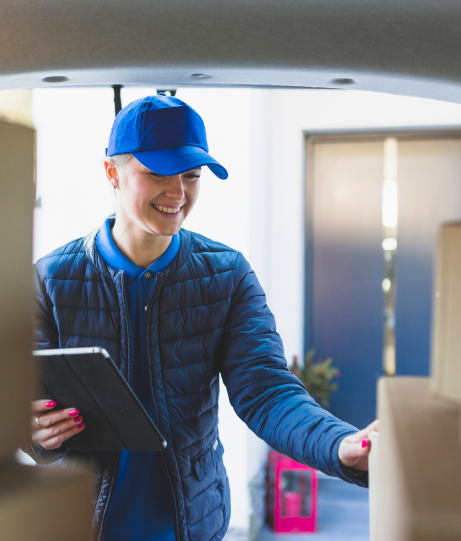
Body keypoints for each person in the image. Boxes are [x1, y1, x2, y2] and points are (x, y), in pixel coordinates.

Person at [25, 95, 379, 541]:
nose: (178, 193)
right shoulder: (51, 279)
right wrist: (35, 430)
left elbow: (267, 392)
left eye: (191, 175)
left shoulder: (226, 275)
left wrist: (339, 445)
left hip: (190, 526)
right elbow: (25, 398)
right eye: (156, 173)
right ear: (112, 172)